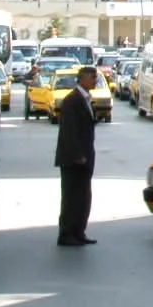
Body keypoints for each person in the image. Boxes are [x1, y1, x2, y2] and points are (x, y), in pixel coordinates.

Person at [54, 66, 99, 247]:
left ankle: (79, 231)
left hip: (85, 156)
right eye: (93, 77)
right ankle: (66, 233)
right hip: (74, 159)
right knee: (71, 197)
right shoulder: (72, 100)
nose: (95, 80)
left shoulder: (86, 98)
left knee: (83, 197)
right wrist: (77, 155)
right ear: (83, 79)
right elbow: (69, 131)